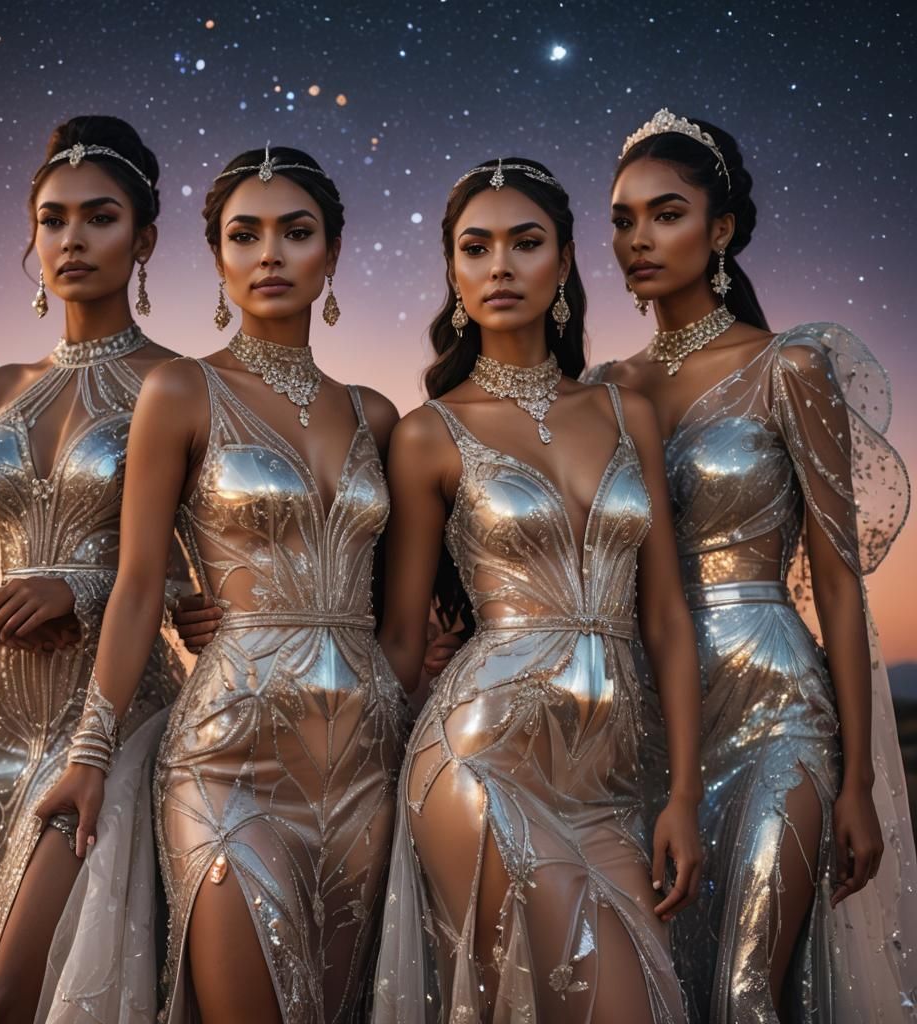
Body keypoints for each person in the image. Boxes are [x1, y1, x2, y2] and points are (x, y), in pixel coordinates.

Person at [35, 145, 408, 1024]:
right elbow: (135, 586)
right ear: (217, 259)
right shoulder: (182, 390)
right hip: (229, 759)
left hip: (367, 762)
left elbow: (399, 598)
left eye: (296, 232)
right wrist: (91, 752)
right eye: (245, 235)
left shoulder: (377, 414)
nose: (270, 254)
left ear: (334, 253)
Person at [591, 108, 916, 1022]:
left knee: (746, 990)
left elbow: (842, 586)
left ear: (721, 228)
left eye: (666, 213)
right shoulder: (606, 388)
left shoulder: (790, 366)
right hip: (647, 715)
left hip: (778, 707)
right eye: (622, 220)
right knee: (667, 986)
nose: (638, 240)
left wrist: (856, 782)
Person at [374, 157, 702, 1023]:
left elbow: (664, 616)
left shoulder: (627, 411)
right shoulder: (427, 435)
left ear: (563, 263)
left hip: (615, 787)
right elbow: (402, 637)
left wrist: (684, 795)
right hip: (484, 760)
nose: (500, 267)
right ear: (453, 272)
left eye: (526, 243)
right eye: (474, 248)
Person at [0, 115, 186, 1024]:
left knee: (21, 996)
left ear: (143, 239)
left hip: (110, 715)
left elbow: (203, 580)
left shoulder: (180, 386)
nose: (71, 239)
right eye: (53, 219)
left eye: (99, 218)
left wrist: (82, 587)